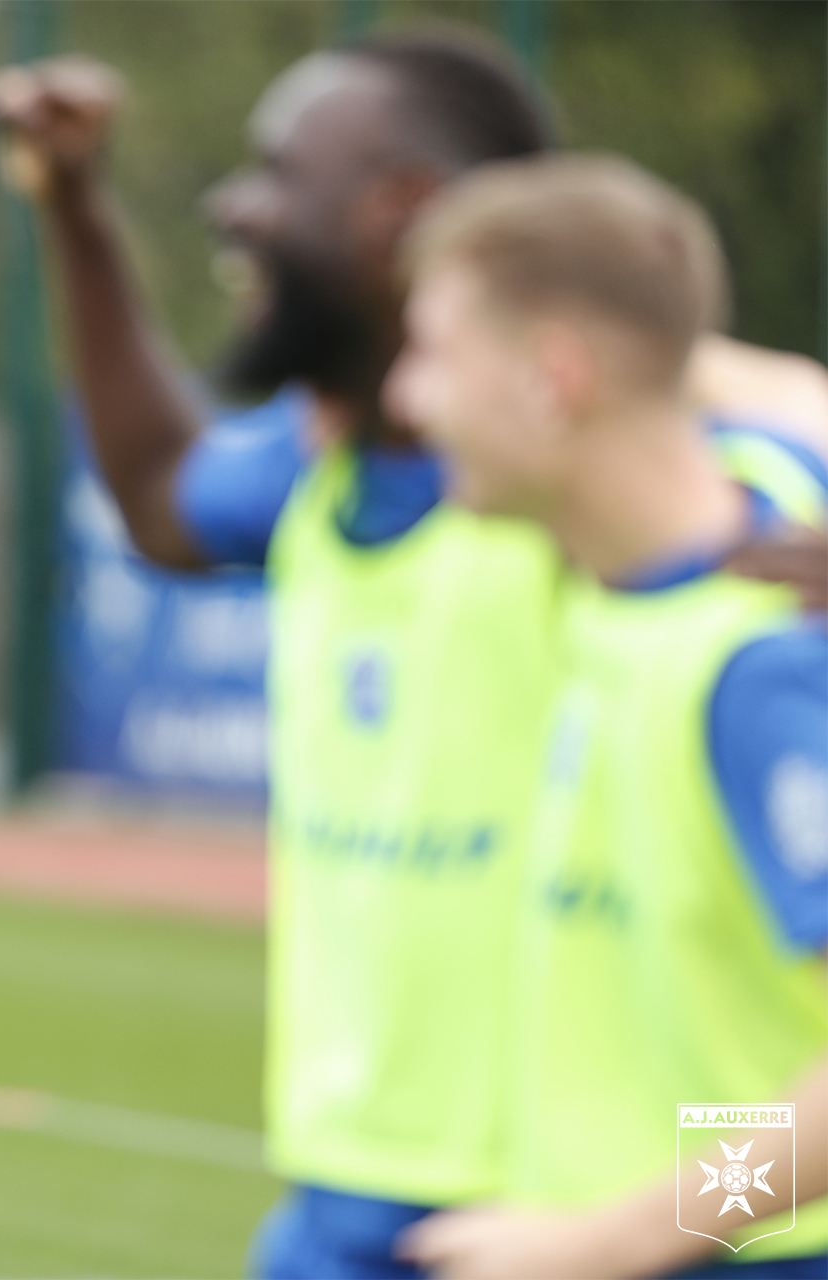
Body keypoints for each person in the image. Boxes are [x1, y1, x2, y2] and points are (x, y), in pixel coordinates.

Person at [0, 32, 828, 1279]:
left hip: (661, 1228)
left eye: (443, 356)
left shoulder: (724, 607)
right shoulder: (377, 491)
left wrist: (645, 1226)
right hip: (443, 1203)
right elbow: (170, 495)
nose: (419, 405)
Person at [386, 153, 826, 1280]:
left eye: (434, 353)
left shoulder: (756, 659)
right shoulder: (597, 597)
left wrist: (616, 1239)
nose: (406, 398)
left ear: (553, 379)